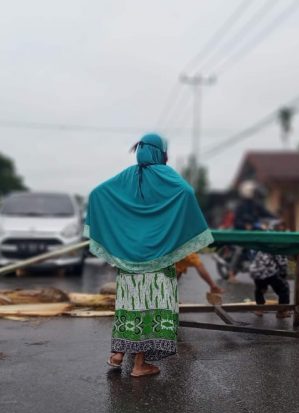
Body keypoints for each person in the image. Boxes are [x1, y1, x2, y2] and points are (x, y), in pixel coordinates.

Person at [85, 133, 213, 377]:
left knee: (129, 306)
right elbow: (186, 193)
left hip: (128, 258)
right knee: (150, 306)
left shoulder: (126, 176)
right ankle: (139, 365)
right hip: (158, 257)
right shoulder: (166, 176)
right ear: (161, 152)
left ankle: (118, 354)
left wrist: (120, 231)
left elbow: (96, 194)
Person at [250, 220, 291, 318]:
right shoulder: (278, 240)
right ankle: (282, 311)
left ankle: (259, 309)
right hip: (269, 270)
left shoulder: (266, 238)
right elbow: (281, 261)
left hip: (257, 270)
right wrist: (284, 273)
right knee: (284, 289)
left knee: (260, 289)